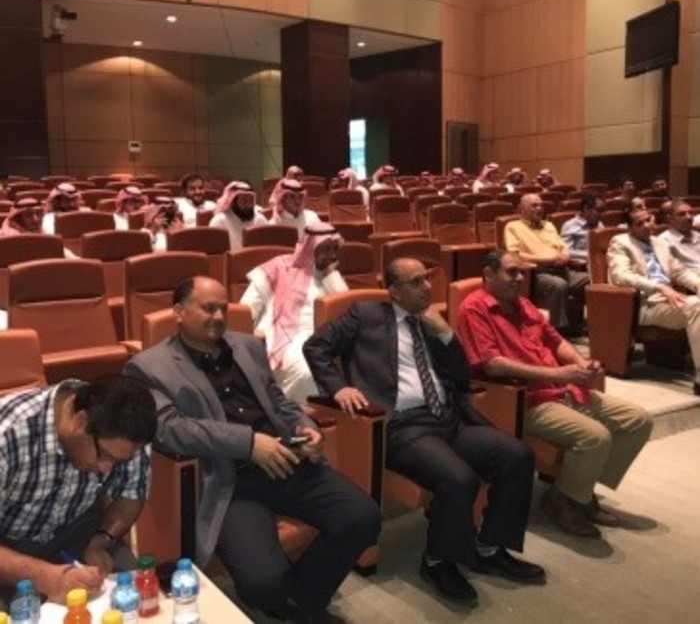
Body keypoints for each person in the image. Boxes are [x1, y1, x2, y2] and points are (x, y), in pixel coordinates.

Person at [123, 276, 380, 623]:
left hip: (287, 459)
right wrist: (248, 443)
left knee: (364, 517)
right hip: (230, 480)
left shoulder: (247, 346)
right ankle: (289, 600)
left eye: (222, 308)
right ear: (179, 312)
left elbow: (277, 400)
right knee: (262, 586)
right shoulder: (148, 367)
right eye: (208, 308)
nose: (218, 316)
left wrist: (305, 426)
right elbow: (170, 429)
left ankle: (301, 603)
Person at [303, 257, 545, 606]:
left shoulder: (431, 321)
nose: (427, 287)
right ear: (394, 291)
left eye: (427, 279)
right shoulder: (366, 314)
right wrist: (337, 387)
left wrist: (445, 333)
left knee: (517, 456)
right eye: (416, 282)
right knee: (459, 479)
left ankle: (490, 547)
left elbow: (461, 378)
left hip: (449, 417)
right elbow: (316, 347)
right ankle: (438, 561)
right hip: (403, 427)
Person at [457, 250, 653, 539]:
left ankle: (576, 492)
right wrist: (559, 375)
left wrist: (580, 363)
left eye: (522, 272)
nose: (520, 278)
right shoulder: (474, 308)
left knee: (638, 420)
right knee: (595, 437)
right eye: (512, 272)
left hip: (562, 388)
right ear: (488, 274)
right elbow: (491, 364)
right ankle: (566, 501)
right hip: (523, 399)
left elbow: (555, 340)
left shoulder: (524, 304)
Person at [0, 376, 156, 607]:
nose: (106, 468)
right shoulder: (8, 433)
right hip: (8, 543)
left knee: (135, 597)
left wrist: (101, 541)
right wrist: (46, 577)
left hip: (78, 530)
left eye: (117, 461)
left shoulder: (126, 432)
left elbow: (130, 494)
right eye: (104, 455)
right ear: (80, 421)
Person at [240, 224, 347, 403]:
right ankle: (301, 413)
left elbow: (345, 309)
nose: (332, 255)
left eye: (335, 249)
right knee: (307, 372)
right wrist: (250, 331)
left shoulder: (330, 275)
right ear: (310, 247)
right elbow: (247, 306)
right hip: (287, 338)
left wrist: (332, 274)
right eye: (326, 249)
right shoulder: (280, 266)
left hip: (327, 338)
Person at [607, 208, 700, 394]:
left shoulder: (659, 242)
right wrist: (658, 287)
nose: (647, 225)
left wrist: (698, 284)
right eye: (639, 223)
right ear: (629, 228)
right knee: (696, 306)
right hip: (643, 303)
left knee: (695, 302)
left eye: (648, 220)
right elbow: (621, 276)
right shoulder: (620, 242)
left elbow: (679, 271)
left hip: (669, 300)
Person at [504, 193, 588, 334]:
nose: (539, 208)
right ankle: (557, 331)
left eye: (541, 205)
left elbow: (563, 247)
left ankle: (577, 324)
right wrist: (548, 259)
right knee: (558, 285)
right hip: (535, 273)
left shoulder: (548, 225)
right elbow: (515, 255)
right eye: (534, 205)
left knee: (589, 280)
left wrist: (565, 256)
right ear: (521, 209)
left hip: (562, 269)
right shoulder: (513, 227)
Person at [209, 180, 268, 250]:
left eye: (250, 201)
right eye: (244, 200)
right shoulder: (219, 221)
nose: (248, 205)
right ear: (233, 202)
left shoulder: (260, 220)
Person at [559, 193, 605, 266]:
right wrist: (590, 256)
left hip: (599, 265)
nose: (601, 214)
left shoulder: (600, 224)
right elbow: (566, 251)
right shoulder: (569, 225)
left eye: (602, 211)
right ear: (586, 208)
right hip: (579, 267)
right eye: (598, 210)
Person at [657, 199, 700, 272]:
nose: (689, 217)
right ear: (669, 218)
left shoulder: (697, 235)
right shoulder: (663, 241)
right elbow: (671, 271)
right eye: (682, 214)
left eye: (690, 213)